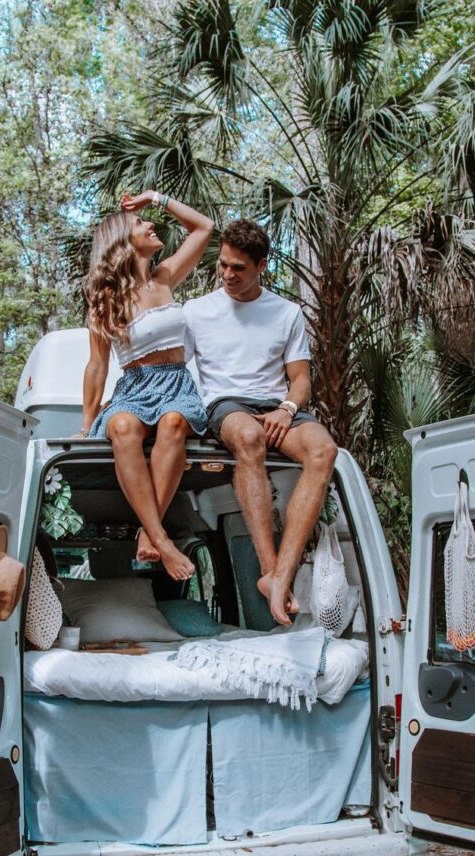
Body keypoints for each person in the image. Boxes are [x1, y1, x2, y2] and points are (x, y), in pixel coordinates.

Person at [183, 219, 338, 626]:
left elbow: (301, 379)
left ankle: (280, 577)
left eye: (239, 268)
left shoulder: (286, 313)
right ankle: (270, 571)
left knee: (324, 450)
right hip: (225, 403)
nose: (228, 275)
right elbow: (174, 369)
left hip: (276, 404)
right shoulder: (196, 312)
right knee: (249, 437)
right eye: (223, 265)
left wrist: (287, 408)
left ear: (262, 266)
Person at [81, 191, 213, 581]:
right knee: (121, 427)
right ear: (122, 240)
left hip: (176, 383)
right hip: (135, 387)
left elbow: (203, 227)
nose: (151, 225)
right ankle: (162, 538)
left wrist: (156, 198)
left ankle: (148, 532)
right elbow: (97, 367)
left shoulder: (165, 277)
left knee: (174, 423)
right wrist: (87, 424)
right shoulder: (105, 299)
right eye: (141, 224)